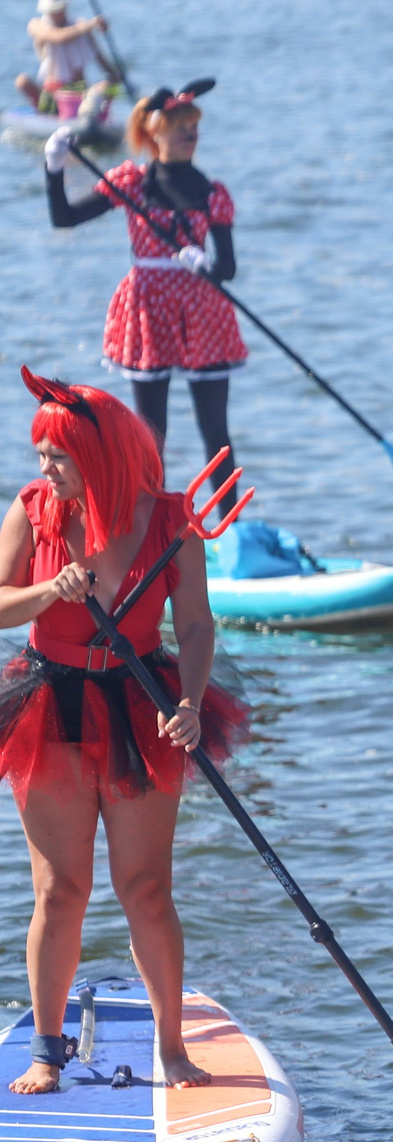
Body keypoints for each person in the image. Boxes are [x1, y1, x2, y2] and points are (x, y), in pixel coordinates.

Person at [0, 370, 246, 1095]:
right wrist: (52, 589)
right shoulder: (34, 509)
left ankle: (173, 1050)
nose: (44, 467)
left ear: (100, 457)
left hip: (144, 700)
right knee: (60, 890)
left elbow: (197, 624)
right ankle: (48, 1051)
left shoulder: (173, 520)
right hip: (52, 700)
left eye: (58, 454)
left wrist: (193, 702)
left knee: (146, 888)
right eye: (41, 452)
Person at [44, 80, 243, 474]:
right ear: (155, 132)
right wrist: (53, 168)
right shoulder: (132, 183)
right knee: (152, 433)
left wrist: (203, 264)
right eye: (179, 127)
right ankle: (154, 522)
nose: (190, 135)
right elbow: (63, 217)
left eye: (193, 127)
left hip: (202, 307)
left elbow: (228, 270)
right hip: (146, 308)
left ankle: (233, 528)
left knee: (215, 428)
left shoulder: (209, 191)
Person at [16, 0, 109, 112]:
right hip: (51, 89)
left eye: (59, 10)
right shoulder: (36, 25)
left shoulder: (80, 24)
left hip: (77, 90)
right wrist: (90, 25)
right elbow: (57, 37)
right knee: (22, 81)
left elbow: (98, 55)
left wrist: (114, 74)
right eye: (53, 11)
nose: (57, 14)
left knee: (105, 86)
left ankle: (87, 111)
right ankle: (43, 109)